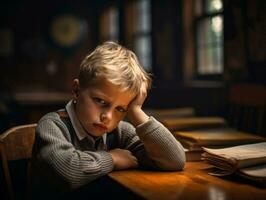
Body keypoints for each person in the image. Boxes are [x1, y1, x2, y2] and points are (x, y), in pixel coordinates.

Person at [30, 41, 185, 198]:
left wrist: (136, 111)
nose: (108, 117)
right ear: (77, 90)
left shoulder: (120, 132)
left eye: (120, 109)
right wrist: (113, 158)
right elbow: (68, 171)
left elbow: (175, 160)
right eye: (100, 101)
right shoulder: (53, 125)